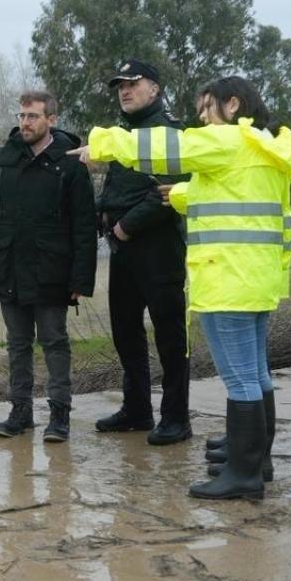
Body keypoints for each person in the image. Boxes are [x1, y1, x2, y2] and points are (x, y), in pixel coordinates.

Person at [76, 76, 291, 499]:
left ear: (232, 105)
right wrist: (181, 194)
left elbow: (162, 147)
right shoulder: (265, 148)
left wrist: (103, 142)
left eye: (206, 109)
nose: (200, 118)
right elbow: (235, 196)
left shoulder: (228, 140)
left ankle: (244, 475)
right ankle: (254, 459)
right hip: (256, 277)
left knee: (240, 381)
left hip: (227, 279)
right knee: (256, 373)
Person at [0, 91, 98, 442]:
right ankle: (20, 412)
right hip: (10, 264)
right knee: (17, 343)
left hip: (53, 267)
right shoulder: (4, 158)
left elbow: (84, 224)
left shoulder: (69, 163)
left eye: (33, 116)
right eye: (22, 116)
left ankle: (59, 415)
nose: (25, 122)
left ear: (51, 120)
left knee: (54, 341)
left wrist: (81, 278)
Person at [89, 59, 193, 444]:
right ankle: (137, 409)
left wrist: (125, 225)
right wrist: (104, 214)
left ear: (155, 89)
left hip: (157, 246)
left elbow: (166, 193)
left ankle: (176, 417)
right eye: (120, 86)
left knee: (169, 334)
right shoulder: (123, 134)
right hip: (123, 248)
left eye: (133, 83)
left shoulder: (169, 132)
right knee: (125, 331)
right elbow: (118, 187)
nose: (125, 90)